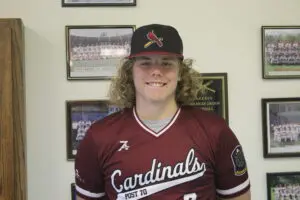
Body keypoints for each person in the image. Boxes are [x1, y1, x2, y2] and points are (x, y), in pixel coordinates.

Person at [74, 23, 251, 200]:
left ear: (180, 71)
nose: (157, 71)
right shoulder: (99, 136)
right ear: (131, 71)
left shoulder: (215, 130)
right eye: (145, 63)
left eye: (166, 63)